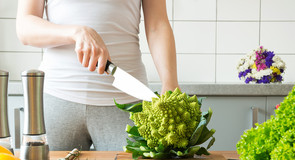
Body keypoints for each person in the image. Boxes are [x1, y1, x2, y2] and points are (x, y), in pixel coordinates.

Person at [16, 0, 179, 151]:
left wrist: (170, 83)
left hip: (127, 104)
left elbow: (157, 25)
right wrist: (76, 32)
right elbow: (25, 26)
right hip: (57, 100)